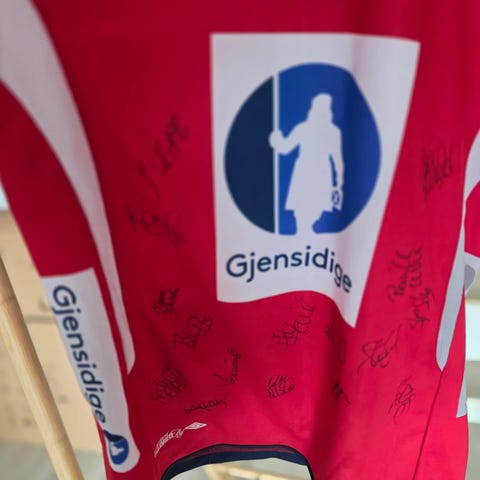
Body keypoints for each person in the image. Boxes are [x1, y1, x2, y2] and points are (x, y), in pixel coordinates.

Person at [269, 93, 344, 234]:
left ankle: (306, 229)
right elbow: (285, 147)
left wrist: (339, 179)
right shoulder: (306, 128)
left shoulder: (331, 131)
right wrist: (276, 140)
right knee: (303, 202)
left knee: (316, 203)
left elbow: (337, 157)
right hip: (308, 168)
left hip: (317, 169)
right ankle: (302, 230)